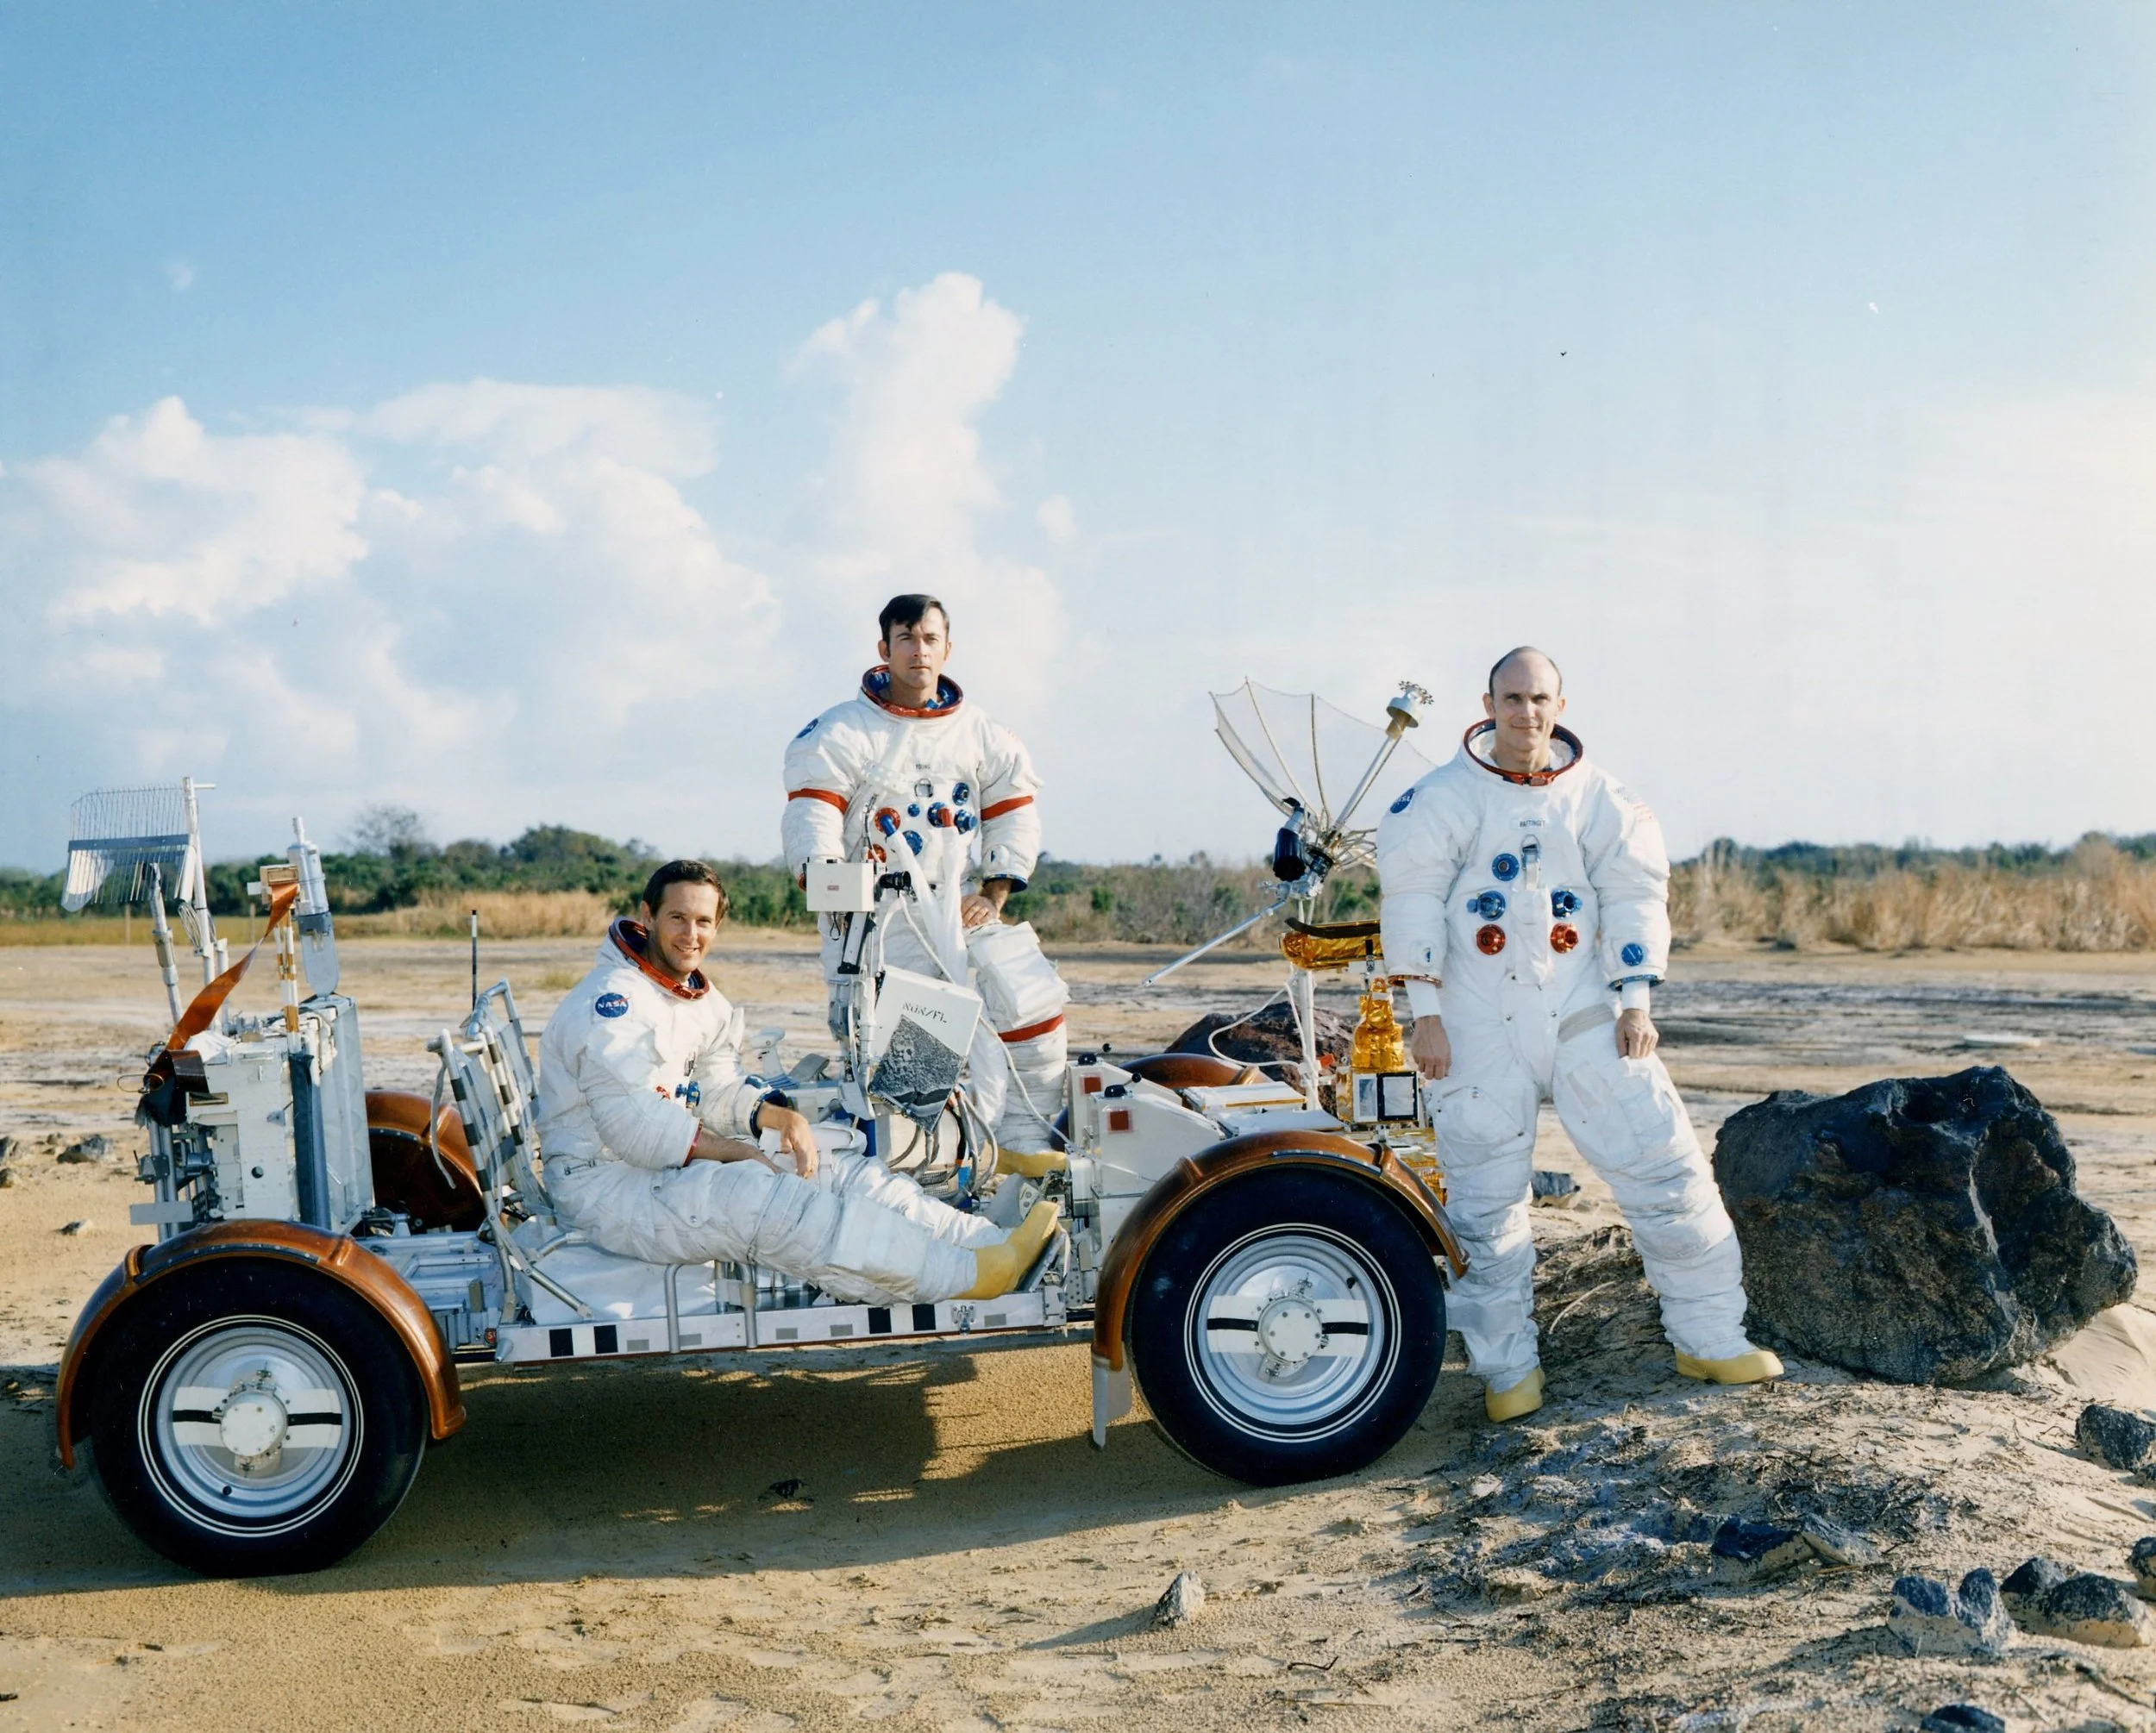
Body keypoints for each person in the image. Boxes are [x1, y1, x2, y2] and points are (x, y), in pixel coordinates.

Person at [1376, 647, 1781, 1422]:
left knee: (1665, 1168)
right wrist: (1424, 1014)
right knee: (1486, 1207)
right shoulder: (1439, 800)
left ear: (1560, 706)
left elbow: (1634, 896)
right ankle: (1507, 1372)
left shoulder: (1603, 800)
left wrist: (1636, 999)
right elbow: (1414, 901)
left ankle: (1709, 1335)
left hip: (1585, 1011)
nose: (1526, 713)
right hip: (1472, 1022)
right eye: (1513, 698)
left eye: (1539, 698)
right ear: (1487, 703)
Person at [536, 859, 1057, 1304]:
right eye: (676, 918)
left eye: (702, 921)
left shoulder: (697, 999)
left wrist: (777, 1117)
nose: (690, 935)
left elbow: (716, 1087)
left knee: (834, 1165)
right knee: (764, 1202)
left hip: (656, 1167)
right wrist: (739, 1154)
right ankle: (967, 1276)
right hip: (604, 1186)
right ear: (646, 917)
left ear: (717, 927)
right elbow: (637, 1131)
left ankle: (988, 1243)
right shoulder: (613, 1004)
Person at [781, 593, 1069, 1158]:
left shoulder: (980, 733)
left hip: (958, 905)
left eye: (930, 638)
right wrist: (835, 890)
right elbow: (812, 818)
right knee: (920, 1054)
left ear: (947, 648)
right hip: (884, 917)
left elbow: (1014, 809)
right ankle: (919, 1168)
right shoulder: (843, 732)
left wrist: (995, 892)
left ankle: (1020, 1143)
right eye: (907, 639)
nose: (919, 650)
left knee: (1027, 993)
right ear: (884, 649)